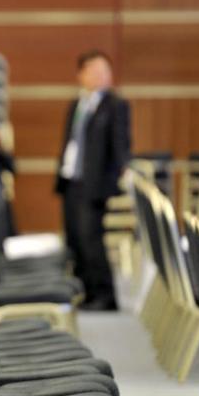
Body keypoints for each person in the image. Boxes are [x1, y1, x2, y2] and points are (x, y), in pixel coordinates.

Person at [54, 50, 131, 311]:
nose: (100, 76)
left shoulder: (115, 105)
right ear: (81, 74)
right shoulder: (77, 103)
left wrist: (121, 170)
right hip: (71, 179)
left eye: (104, 71)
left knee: (91, 239)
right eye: (94, 71)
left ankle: (105, 295)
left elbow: (121, 143)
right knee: (75, 238)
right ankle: (85, 291)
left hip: (95, 183)